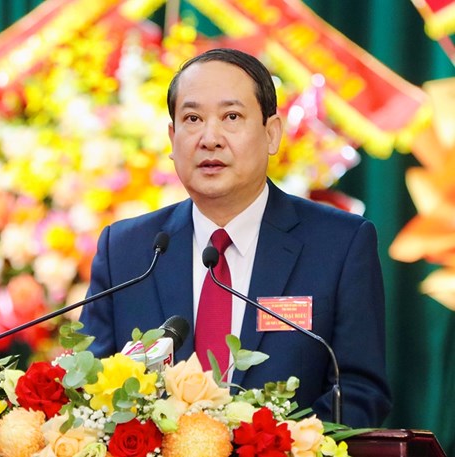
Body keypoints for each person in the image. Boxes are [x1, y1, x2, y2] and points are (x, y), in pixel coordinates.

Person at [79, 48, 391, 428]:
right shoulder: (126, 252)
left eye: (231, 117)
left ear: (271, 134)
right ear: (173, 138)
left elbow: (358, 392)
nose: (210, 138)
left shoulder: (339, 245)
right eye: (192, 119)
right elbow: (91, 390)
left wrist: (284, 447)